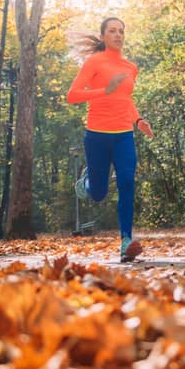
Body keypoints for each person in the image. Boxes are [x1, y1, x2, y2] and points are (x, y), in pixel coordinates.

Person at [66, 17, 154, 262]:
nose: (118, 35)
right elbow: (72, 96)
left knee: (127, 182)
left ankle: (126, 241)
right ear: (103, 36)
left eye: (121, 31)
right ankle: (87, 182)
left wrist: (138, 120)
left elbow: (125, 99)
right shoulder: (94, 62)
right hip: (97, 136)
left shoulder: (130, 67)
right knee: (98, 194)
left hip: (124, 135)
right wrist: (104, 91)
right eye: (113, 31)